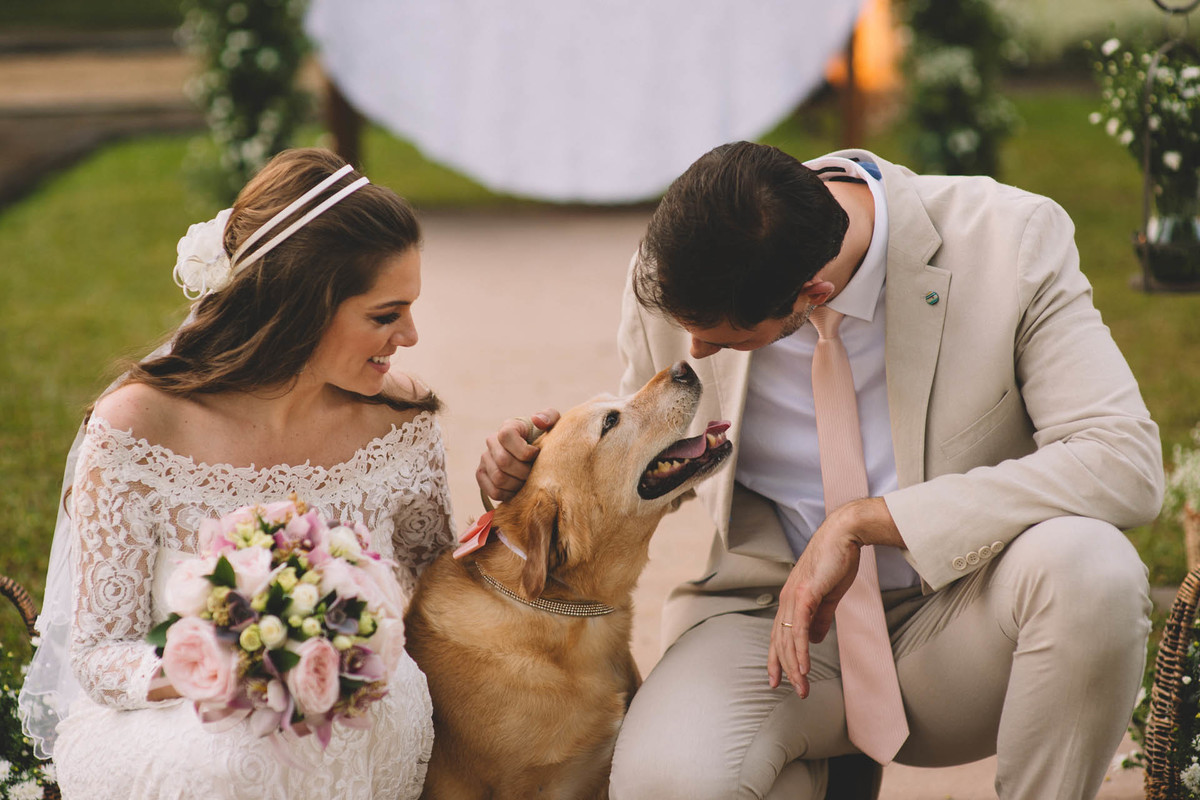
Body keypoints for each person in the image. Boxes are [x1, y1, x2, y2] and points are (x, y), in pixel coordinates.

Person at [478, 142, 1164, 799]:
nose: (693, 350)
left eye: (720, 339)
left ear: (813, 292)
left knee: (1091, 567)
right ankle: (823, 778)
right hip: (773, 623)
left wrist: (869, 522)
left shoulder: (1010, 241)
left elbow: (1122, 459)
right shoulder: (678, 271)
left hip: (964, 619)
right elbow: (651, 457)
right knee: (668, 785)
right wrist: (542, 474)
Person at [18, 148, 454, 799]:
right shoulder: (140, 426)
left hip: (361, 714)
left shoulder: (400, 419)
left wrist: (515, 494)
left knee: (307, 749)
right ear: (302, 304)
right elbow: (98, 659)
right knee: (238, 762)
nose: (410, 336)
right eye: (385, 314)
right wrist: (232, 665)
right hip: (178, 721)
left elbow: (446, 589)